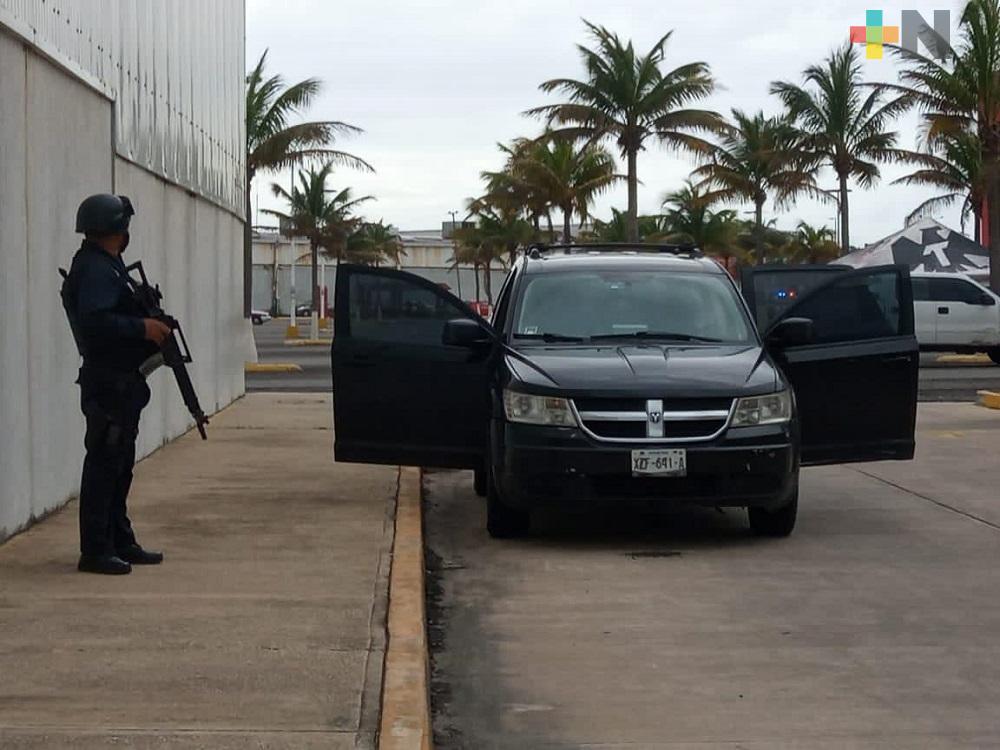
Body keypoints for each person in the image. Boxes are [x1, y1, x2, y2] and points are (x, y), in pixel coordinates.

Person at [61, 194, 170, 575]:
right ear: (117, 229)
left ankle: (119, 539)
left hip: (121, 380)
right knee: (105, 463)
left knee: (120, 464)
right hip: (108, 381)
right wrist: (142, 328)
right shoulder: (95, 269)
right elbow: (95, 322)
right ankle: (95, 549)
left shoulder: (109, 265)